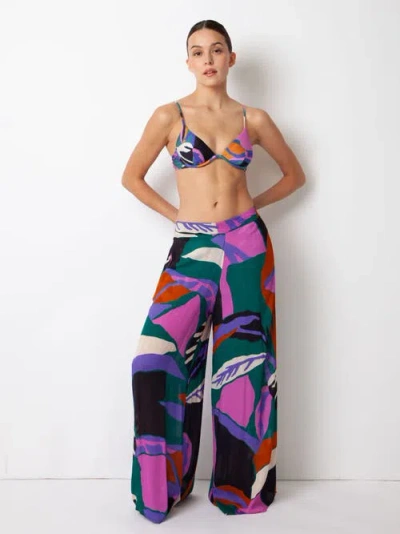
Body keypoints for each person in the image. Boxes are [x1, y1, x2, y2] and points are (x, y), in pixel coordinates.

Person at [122, 19, 306, 524]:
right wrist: (177, 217)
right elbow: (131, 177)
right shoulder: (170, 115)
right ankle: (162, 490)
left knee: (246, 366)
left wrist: (251, 208)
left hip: (247, 247)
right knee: (153, 360)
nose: (208, 59)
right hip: (193, 247)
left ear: (231, 58)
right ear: (188, 61)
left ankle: (240, 489)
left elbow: (294, 175)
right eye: (198, 51)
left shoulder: (254, 118)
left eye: (217, 50)